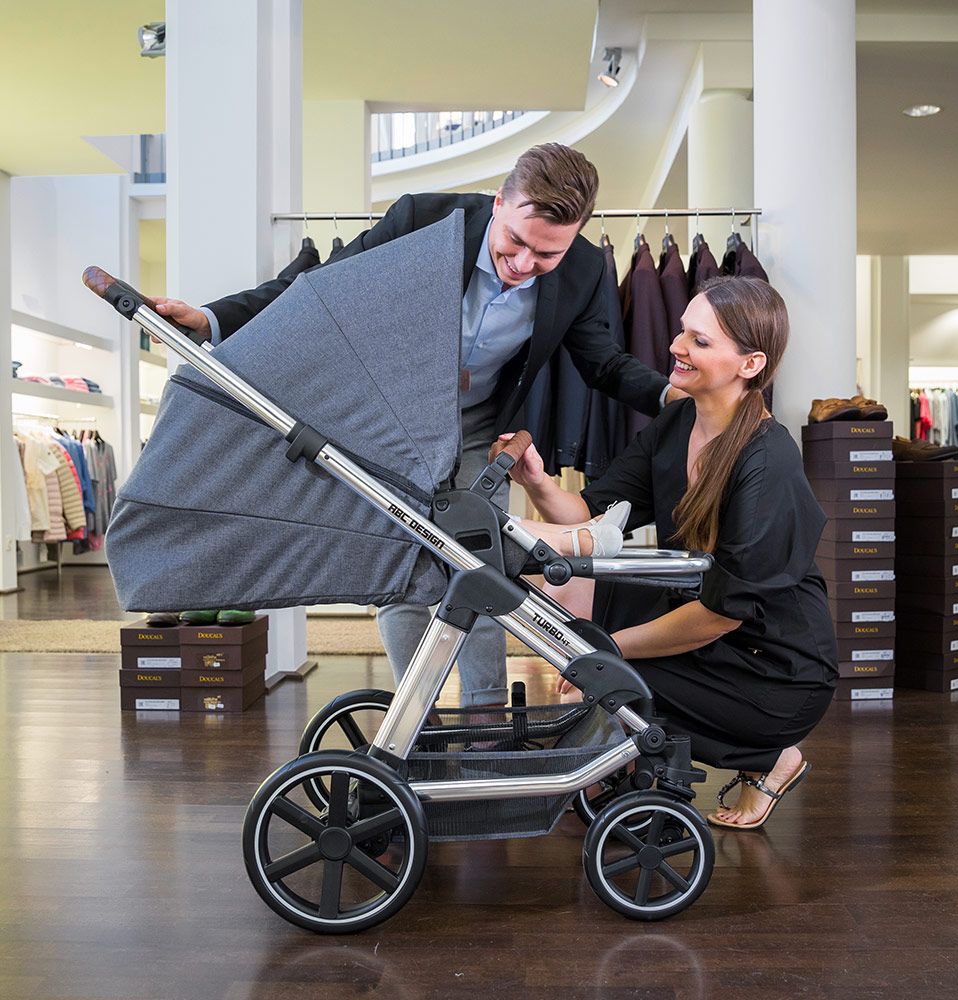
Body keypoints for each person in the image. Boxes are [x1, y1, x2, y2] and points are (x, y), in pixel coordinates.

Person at [149, 143, 672, 710]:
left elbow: (602, 361)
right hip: (396, 420)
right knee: (400, 560)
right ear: (499, 202)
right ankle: (413, 714)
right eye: (515, 241)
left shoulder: (585, 269)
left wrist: (669, 393)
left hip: (478, 427)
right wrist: (213, 318)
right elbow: (318, 290)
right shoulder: (423, 220)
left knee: (482, 565)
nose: (524, 264)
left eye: (546, 254)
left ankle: (485, 716)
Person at [503, 276, 837, 830]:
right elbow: (590, 510)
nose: (676, 347)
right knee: (581, 596)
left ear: (750, 364)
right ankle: (624, 749)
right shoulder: (678, 423)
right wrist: (536, 481)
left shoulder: (767, 462)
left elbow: (722, 614)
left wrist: (609, 651)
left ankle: (772, 754)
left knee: (606, 674)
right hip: (708, 625)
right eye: (683, 331)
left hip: (774, 668)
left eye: (699, 341)